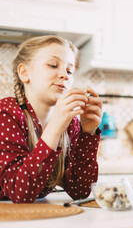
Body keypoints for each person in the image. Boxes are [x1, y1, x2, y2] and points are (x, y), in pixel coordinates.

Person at [0, 35, 103, 203]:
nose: (64, 74)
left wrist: (88, 132)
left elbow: (80, 190)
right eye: (53, 65)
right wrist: (55, 126)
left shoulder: (71, 123)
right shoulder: (6, 114)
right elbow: (20, 193)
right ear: (24, 73)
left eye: (70, 70)